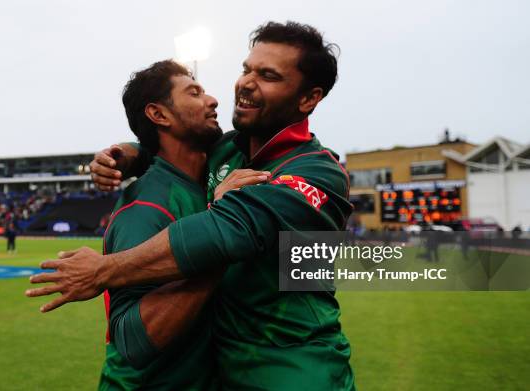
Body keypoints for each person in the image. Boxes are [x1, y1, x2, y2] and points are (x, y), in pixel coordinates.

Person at [28, 21, 355, 390]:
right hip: (226, 373)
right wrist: (127, 155)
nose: (245, 83)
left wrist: (103, 270)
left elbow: (231, 229)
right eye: (246, 69)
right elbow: (172, 148)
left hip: (296, 370)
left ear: (308, 98)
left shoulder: (317, 173)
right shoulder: (227, 151)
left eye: (268, 76)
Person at [96, 60, 262, 390]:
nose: (212, 100)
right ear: (159, 115)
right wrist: (222, 238)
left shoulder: (209, 176)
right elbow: (132, 340)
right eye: (194, 92)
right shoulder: (144, 208)